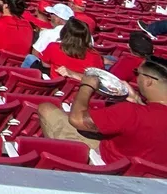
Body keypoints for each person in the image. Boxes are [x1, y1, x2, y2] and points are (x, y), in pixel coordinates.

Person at [38, 57, 167, 166]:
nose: (136, 77)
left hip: (107, 165)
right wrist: (138, 101)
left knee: (46, 108)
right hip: (148, 176)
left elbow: (77, 119)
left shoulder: (130, 112)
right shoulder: (138, 111)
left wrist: (86, 86)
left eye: (137, 73)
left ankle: (58, 164)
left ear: (148, 81)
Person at [39, 19, 103, 79]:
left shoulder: (53, 47)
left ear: (63, 33)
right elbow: (98, 78)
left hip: (57, 86)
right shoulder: (95, 56)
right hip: (82, 88)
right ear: (87, 36)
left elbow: (45, 65)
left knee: (31, 58)